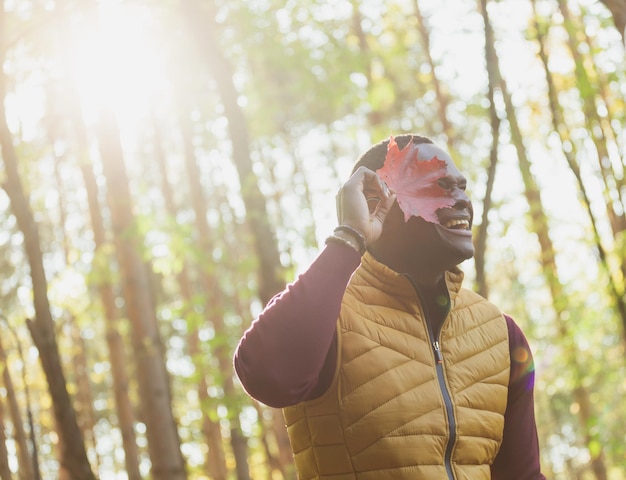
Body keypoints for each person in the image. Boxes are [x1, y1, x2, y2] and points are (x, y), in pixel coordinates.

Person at [234, 134, 546, 479]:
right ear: (376, 201)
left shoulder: (502, 335)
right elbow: (267, 376)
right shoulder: (329, 314)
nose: (461, 198)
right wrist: (349, 237)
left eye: (461, 186)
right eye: (439, 184)